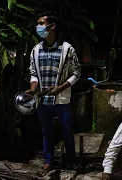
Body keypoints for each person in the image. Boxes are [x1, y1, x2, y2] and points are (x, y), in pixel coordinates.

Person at [26, 11, 81, 176]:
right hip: (43, 100)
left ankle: (70, 160)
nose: (39, 27)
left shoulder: (66, 49)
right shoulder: (36, 50)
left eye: (41, 23)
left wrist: (61, 88)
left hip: (61, 99)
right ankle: (48, 161)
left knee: (67, 130)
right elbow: (34, 73)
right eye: (38, 23)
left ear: (52, 26)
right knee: (46, 130)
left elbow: (76, 73)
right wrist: (33, 89)